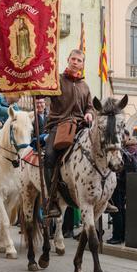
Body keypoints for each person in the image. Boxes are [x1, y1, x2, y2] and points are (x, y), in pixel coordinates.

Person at [44, 49, 94, 217]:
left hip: (80, 126)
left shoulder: (85, 86)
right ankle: (51, 200)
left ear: (82, 64)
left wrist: (89, 113)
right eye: (73, 59)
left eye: (79, 60)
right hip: (58, 125)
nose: (75, 62)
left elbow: (90, 106)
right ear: (68, 59)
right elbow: (42, 93)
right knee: (49, 156)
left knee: (99, 151)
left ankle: (103, 196)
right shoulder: (56, 80)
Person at [107, 137, 137, 245]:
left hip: (118, 185)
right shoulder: (136, 154)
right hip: (128, 186)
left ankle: (117, 236)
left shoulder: (123, 154)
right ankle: (123, 235)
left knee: (116, 211)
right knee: (123, 211)